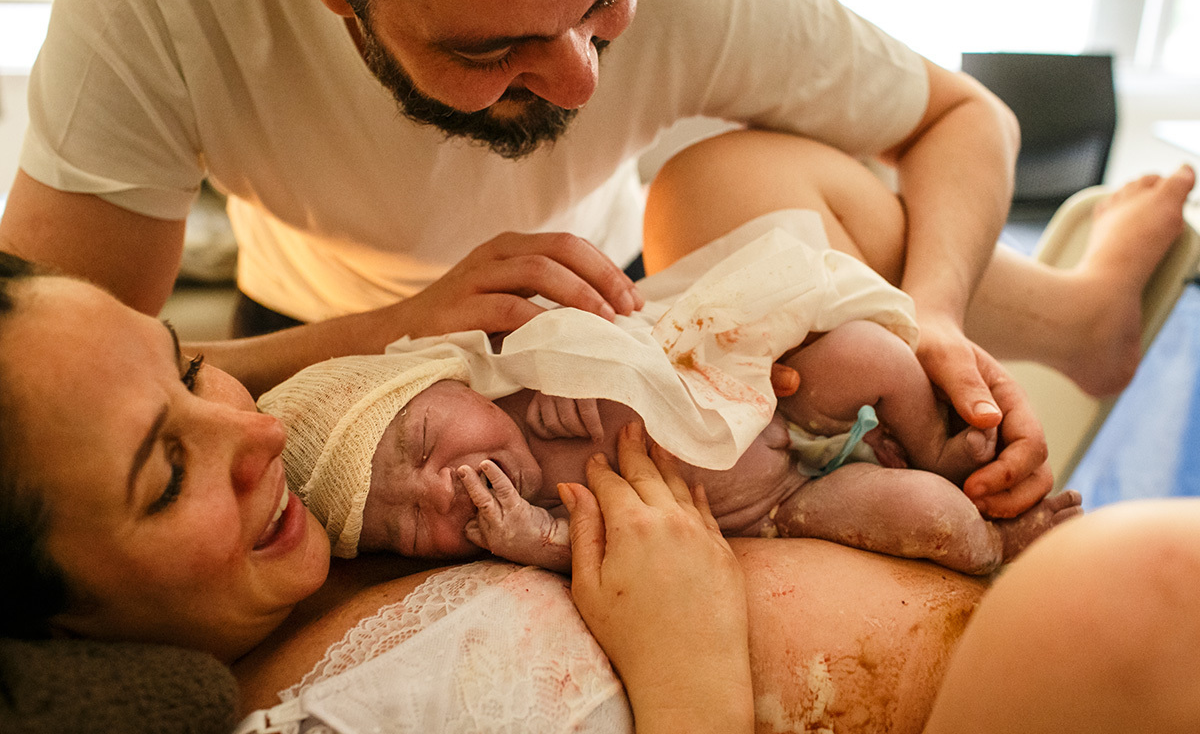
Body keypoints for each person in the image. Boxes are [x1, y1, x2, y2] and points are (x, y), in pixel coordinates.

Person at [0, 257, 1198, 734]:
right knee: (1143, 592)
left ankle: (1081, 286)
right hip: (1005, 676)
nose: (249, 429)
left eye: (190, 360)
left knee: (739, 172)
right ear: (58, 629)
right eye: (167, 473)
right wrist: (688, 672)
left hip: (921, 522)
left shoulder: (325, 457)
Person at [1, 0, 1051, 471]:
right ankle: (1081, 306)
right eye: (492, 47)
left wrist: (937, 317)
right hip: (317, 334)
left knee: (724, 187)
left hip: (600, 301)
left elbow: (967, 121)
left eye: (602, 2)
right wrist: (393, 332)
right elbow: (49, 397)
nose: (584, 82)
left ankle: (1077, 307)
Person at [257, 231, 1082, 575]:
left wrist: (591, 372)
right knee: (921, 517)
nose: (450, 485)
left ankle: (935, 437)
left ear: (452, 381)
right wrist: (537, 539)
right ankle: (996, 540)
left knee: (873, 355)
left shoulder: (527, 372)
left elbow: (634, 328)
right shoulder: (527, 520)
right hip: (777, 506)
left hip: (768, 403)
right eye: (409, 527)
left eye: (429, 438)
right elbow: (595, 549)